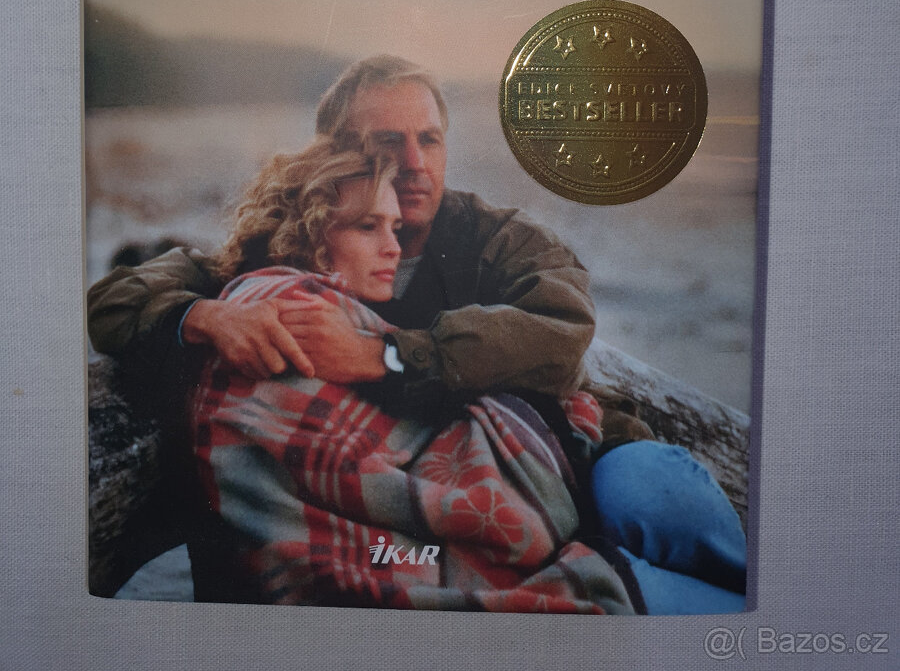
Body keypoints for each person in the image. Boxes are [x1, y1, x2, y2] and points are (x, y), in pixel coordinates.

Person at [88, 54, 746, 612]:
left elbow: (561, 331)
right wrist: (202, 317)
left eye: (429, 139)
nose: (413, 163)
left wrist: (386, 355)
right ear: (336, 152)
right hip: (441, 515)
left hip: (581, 460)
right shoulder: (296, 241)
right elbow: (116, 299)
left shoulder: (496, 238)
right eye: (387, 143)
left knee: (652, 495)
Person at [191, 139, 638, 612]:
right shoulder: (287, 312)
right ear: (307, 231)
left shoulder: (336, 314)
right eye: (368, 227)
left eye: (395, 227)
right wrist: (199, 315)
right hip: (375, 571)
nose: (393, 248)